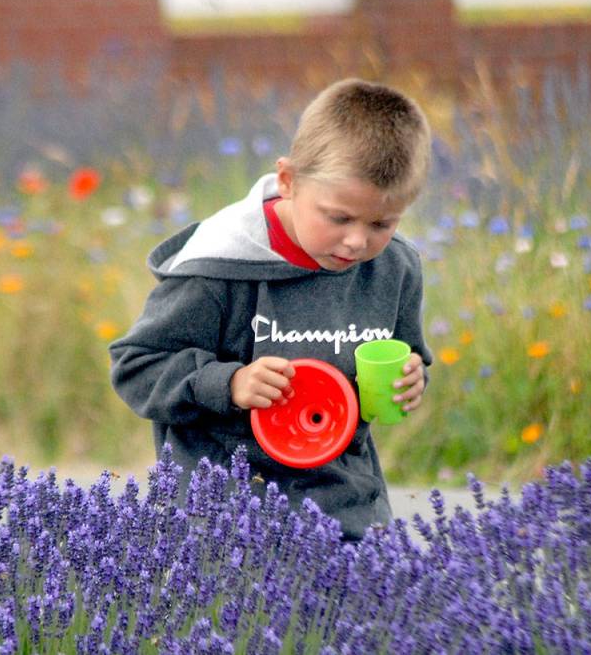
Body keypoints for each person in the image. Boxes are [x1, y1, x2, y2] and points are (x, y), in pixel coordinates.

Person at [109, 78, 433, 541]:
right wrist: (229, 381)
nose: (358, 241)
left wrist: (412, 378)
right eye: (338, 217)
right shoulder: (218, 268)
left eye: (382, 222)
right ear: (288, 181)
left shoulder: (394, 269)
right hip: (223, 516)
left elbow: (411, 356)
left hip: (344, 509)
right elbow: (137, 367)